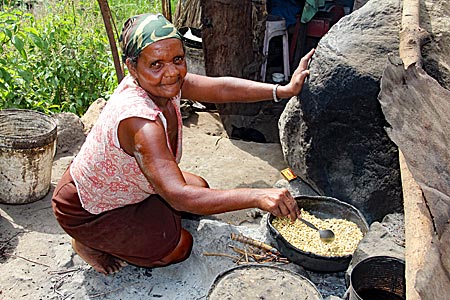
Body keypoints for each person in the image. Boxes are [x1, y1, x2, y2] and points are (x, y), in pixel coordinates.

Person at [52, 13, 315, 275]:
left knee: (199, 188)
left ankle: (133, 225)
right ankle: (88, 241)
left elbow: (220, 89)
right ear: (132, 68)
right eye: (156, 64)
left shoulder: (164, 83)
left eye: (178, 59)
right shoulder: (141, 123)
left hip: (128, 187)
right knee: (179, 245)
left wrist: (282, 90)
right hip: (87, 207)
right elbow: (178, 197)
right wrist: (257, 196)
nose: (171, 73)